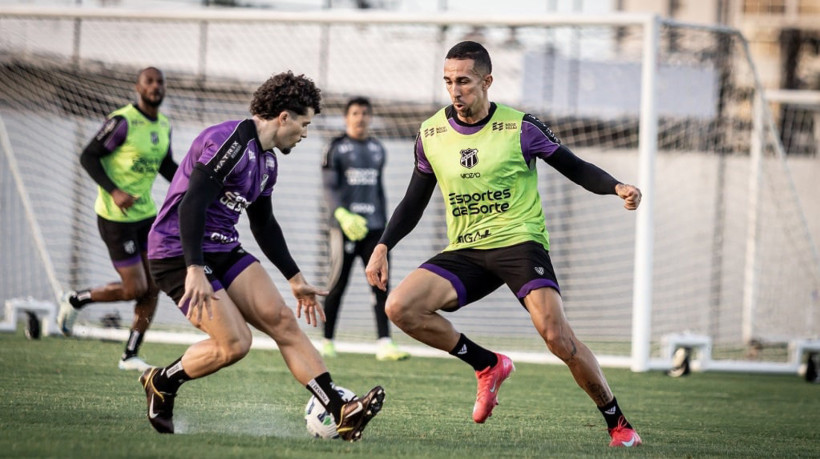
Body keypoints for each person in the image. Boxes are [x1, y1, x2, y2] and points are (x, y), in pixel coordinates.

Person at [365, 41, 643, 447]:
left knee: (557, 337)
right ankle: (487, 364)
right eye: (448, 81)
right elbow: (414, 200)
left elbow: (575, 167)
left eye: (464, 81)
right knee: (399, 307)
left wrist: (616, 186)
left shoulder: (520, 127)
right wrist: (383, 246)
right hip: (467, 248)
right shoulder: (430, 133)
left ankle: (618, 423)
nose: (455, 90)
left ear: (487, 81)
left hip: (519, 242)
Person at [141, 71, 385, 439]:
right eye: (304, 124)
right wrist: (194, 269)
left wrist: (295, 278)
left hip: (223, 248)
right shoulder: (229, 142)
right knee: (236, 343)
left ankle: (341, 412)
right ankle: (162, 381)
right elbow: (191, 205)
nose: (305, 133)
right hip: (176, 252)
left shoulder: (267, 161)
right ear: (284, 117)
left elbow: (264, 223)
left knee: (283, 321)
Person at [57, 67, 178, 372]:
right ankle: (77, 299)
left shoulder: (164, 125)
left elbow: (165, 165)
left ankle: (130, 355)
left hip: (146, 216)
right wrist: (114, 191)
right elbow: (88, 156)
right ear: (138, 87)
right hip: (115, 217)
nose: (155, 86)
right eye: (149, 81)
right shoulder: (122, 121)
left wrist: (194, 185)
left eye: (160, 82)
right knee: (134, 288)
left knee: (154, 285)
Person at [320, 97, 409, 361]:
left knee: (380, 284)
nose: (360, 118)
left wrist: (385, 227)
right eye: (355, 113)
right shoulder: (335, 147)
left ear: (370, 118)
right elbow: (329, 186)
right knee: (338, 283)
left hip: (374, 228)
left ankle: (384, 342)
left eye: (364, 113)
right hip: (345, 228)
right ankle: (327, 340)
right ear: (346, 117)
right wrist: (341, 215)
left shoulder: (377, 148)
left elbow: (378, 189)